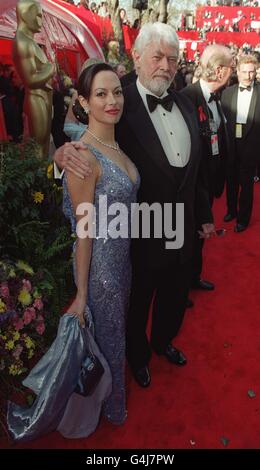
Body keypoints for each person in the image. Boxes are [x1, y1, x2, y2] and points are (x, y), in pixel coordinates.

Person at [54, 23, 214, 388]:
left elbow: (198, 169)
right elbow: (80, 135)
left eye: (172, 59)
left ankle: (163, 341)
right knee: (140, 300)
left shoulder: (187, 102)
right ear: (137, 58)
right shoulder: (117, 99)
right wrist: (61, 156)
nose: (165, 65)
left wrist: (203, 215)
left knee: (175, 295)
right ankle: (138, 356)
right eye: (157, 56)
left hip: (183, 226)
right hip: (140, 231)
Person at [7, 63, 139, 441]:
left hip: (122, 264)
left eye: (116, 91)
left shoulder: (109, 142)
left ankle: (108, 402)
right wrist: (81, 294)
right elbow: (84, 232)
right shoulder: (83, 156)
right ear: (83, 101)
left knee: (113, 340)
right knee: (105, 344)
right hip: (99, 272)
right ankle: (110, 412)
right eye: (100, 94)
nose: (112, 100)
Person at [182, 44, 233, 291]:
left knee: (200, 237)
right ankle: (182, 286)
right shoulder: (188, 97)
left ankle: (192, 278)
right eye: (231, 68)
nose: (232, 73)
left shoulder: (218, 98)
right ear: (220, 70)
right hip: (193, 188)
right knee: (191, 237)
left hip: (208, 185)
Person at [221, 54, 260, 232]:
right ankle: (231, 211)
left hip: (251, 144)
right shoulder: (227, 92)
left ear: (256, 71)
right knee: (230, 180)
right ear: (238, 71)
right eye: (244, 72)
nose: (248, 76)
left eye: (252, 72)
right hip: (231, 142)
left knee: (246, 185)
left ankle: (243, 219)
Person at [13, 0, 55, 158]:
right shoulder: (22, 41)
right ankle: (39, 180)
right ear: (25, 14)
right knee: (38, 144)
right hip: (35, 97)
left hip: (43, 96)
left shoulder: (31, 42)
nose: (41, 20)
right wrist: (50, 69)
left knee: (43, 143)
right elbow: (30, 80)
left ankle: (44, 178)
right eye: (37, 15)